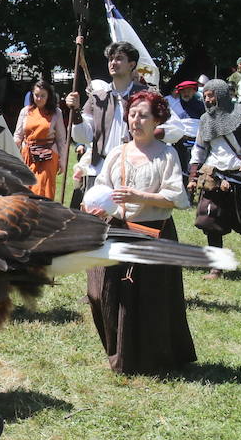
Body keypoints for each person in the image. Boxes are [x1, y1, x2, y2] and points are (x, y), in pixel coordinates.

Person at [83, 90, 195, 373]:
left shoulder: (166, 154)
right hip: (117, 231)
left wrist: (137, 196)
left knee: (150, 300)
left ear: (157, 119)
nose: (136, 120)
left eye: (143, 115)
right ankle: (118, 351)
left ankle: (151, 359)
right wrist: (95, 207)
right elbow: (103, 189)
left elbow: (177, 198)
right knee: (101, 292)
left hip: (154, 233)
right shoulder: (118, 153)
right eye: (132, 114)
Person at [64, 41, 185, 204]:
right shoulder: (98, 97)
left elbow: (176, 129)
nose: (113, 63)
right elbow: (83, 136)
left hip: (134, 171)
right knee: (93, 222)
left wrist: (144, 136)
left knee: (128, 225)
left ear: (132, 65)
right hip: (99, 169)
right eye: (111, 59)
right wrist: (76, 111)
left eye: (119, 58)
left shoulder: (148, 95)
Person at [187, 78, 241, 278]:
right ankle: (216, 266)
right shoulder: (205, 119)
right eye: (206, 96)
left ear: (221, 96)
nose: (207, 100)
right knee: (210, 220)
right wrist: (194, 175)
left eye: (211, 96)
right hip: (215, 177)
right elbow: (199, 149)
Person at [14, 78, 66, 199]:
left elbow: (61, 139)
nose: (39, 99)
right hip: (28, 157)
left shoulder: (56, 113)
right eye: (37, 95)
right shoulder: (26, 111)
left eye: (43, 96)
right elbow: (18, 135)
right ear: (32, 95)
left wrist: (62, 160)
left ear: (48, 96)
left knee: (44, 190)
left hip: (47, 157)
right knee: (27, 189)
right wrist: (14, 150)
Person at [164, 79, 203, 174]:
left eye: (189, 91)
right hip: (180, 144)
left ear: (194, 91)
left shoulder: (202, 106)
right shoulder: (173, 106)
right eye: (183, 91)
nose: (186, 93)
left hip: (198, 144)